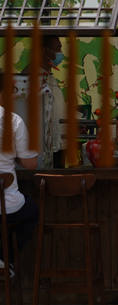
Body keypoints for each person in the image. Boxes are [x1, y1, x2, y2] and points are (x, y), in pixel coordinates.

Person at [0, 72, 40, 273]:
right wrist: (14, 155)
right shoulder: (12, 121)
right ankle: (5, 258)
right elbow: (31, 164)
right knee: (32, 210)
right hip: (6, 205)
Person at [22, 36, 64, 168]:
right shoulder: (32, 76)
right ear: (45, 51)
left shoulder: (47, 75)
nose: (61, 53)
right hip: (43, 149)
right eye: (58, 48)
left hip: (55, 146)